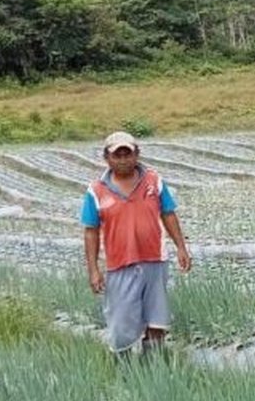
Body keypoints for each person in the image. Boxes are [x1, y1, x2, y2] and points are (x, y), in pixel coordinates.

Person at [81, 131, 192, 355]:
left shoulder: (153, 181)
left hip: (154, 260)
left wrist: (181, 247)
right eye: (117, 155)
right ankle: (123, 367)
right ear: (107, 158)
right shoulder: (96, 191)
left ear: (137, 155)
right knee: (121, 324)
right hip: (120, 264)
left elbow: (168, 214)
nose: (123, 160)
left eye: (128, 154)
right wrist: (93, 269)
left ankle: (154, 365)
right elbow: (91, 231)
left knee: (156, 320)